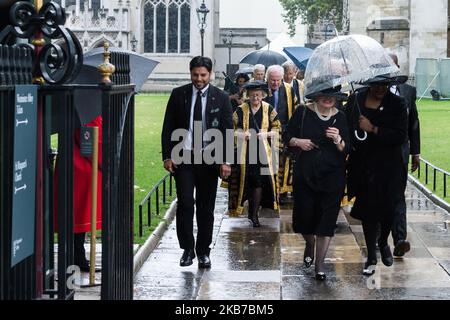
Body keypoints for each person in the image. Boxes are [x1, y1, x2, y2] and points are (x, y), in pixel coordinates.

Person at [161, 56, 233, 269]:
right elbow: (168, 127)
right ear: (190, 73)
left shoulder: (221, 98)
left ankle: (203, 251)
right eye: (195, 75)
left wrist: (226, 161)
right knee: (184, 203)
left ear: (210, 74)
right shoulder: (178, 94)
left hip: (210, 160)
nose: (199, 79)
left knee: (205, 208)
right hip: (184, 157)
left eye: (203, 75)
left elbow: (227, 131)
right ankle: (187, 249)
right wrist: (167, 155)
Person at [284, 86, 350, 281]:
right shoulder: (302, 111)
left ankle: (320, 265)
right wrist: (299, 142)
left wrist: (338, 139)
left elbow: (346, 149)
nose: (328, 99)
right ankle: (309, 242)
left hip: (333, 176)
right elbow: (286, 135)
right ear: (316, 96)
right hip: (305, 174)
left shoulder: (342, 116)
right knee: (304, 218)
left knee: (327, 220)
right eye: (324, 95)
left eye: (332, 96)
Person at [346, 75, 408, 276]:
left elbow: (400, 135)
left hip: (390, 166)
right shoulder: (357, 99)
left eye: (385, 84)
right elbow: (347, 126)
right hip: (365, 165)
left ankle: (383, 242)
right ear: (369, 84)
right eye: (376, 84)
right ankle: (371, 254)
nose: (380, 88)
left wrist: (373, 128)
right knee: (368, 211)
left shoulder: (397, 103)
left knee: (389, 210)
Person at [227, 81, 281, 227]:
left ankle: (254, 213)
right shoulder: (240, 110)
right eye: (252, 95)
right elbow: (232, 129)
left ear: (263, 96)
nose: (255, 98)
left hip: (263, 152)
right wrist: (242, 134)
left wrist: (266, 134)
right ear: (248, 95)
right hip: (244, 153)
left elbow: (277, 128)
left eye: (258, 95)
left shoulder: (269, 109)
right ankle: (250, 210)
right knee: (247, 182)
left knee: (258, 182)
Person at [54, 115, 103, 272]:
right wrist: (107, 162)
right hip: (82, 168)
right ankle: (77, 259)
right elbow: (93, 141)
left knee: (74, 217)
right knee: (78, 218)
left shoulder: (81, 108)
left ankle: (76, 258)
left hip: (74, 165)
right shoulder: (89, 112)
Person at [389, 53, 421, 257]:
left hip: (400, 153)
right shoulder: (367, 92)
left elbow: (414, 123)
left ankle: (400, 238)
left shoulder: (408, 91)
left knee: (398, 196)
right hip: (376, 155)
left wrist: (416, 152)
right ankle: (377, 238)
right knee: (378, 196)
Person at [264, 65, 296, 200]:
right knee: (268, 162)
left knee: (283, 162)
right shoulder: (262, 89)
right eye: (272, 80)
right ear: (267, 79)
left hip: (284, 130)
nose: (275, 83)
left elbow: (294, 109)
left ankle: (281, 191)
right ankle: (269, 192)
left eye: (278, 80)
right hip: (265, 131)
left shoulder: (289, 89)